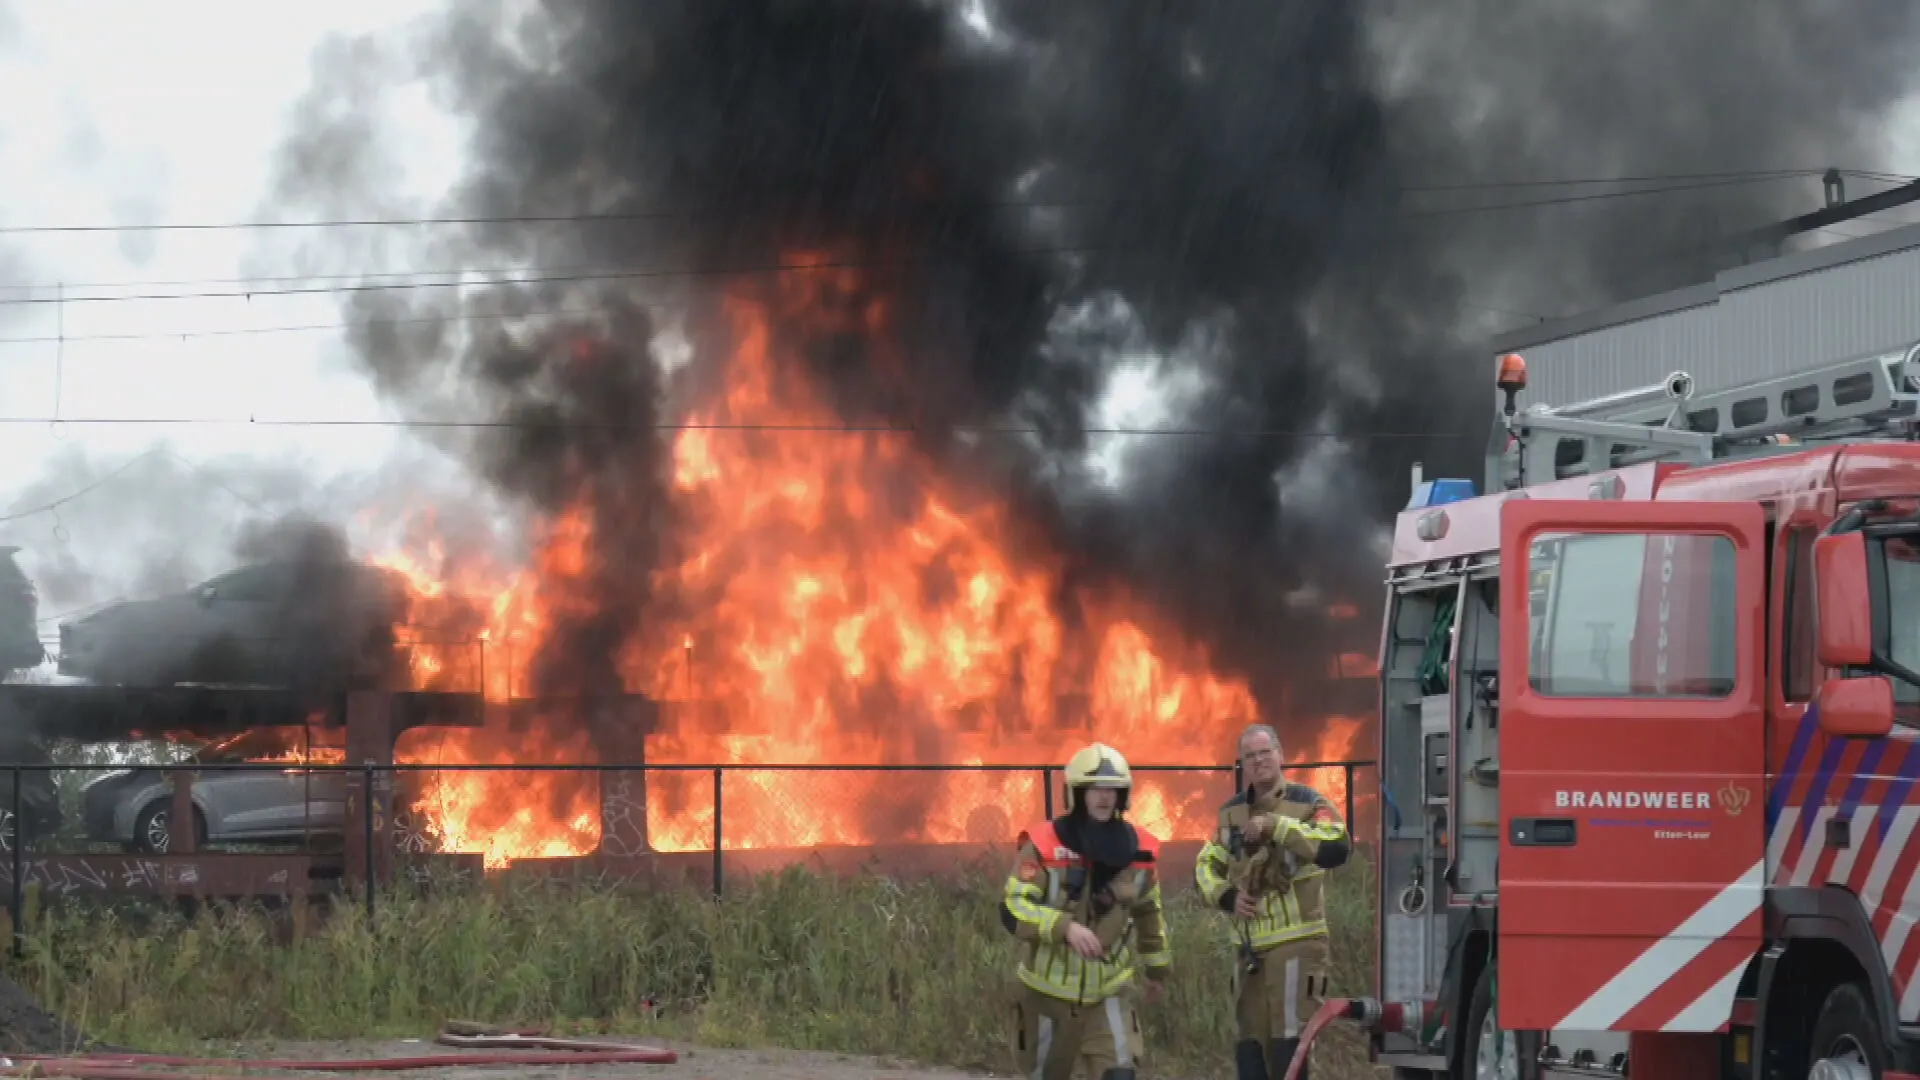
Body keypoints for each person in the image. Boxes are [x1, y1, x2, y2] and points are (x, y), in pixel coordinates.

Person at [1000, 742, 1172, 1080]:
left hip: (1109, 994)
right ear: (1076, 793)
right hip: (1046, 996)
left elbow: (1150, 914)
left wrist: (1158, 971)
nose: (1103, 797)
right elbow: (1012, 907)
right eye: (1094, 788)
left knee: (1120, 1074)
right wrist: (1065, 927)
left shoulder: (1140, 850)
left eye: (1111, 789)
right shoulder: (1044, 845)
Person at [1194, 723, 1352, 1080]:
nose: (1258, 761)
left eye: (1265, 752)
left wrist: (1277, 827)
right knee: (1249, 1046)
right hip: (1248, 951)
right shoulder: (1230, 814)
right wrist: (1227, 896)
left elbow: (1337, 847)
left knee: (1289, 1045)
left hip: (1296, 944)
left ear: (1280, 755)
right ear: (1242, 765)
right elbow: (1205, 865)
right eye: (1249, 756)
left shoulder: (1310, 803)